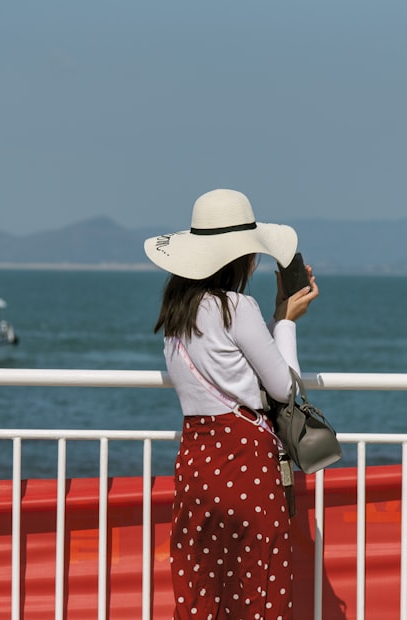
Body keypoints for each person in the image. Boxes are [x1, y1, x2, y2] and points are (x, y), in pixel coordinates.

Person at [144, 188, 319, 619]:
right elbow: (283, 388)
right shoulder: (237, 308)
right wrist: (285, 322)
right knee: (258, 584)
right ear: (243, 259)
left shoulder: (177, 313)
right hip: (245, 459)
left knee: (202, 581)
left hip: (197, 459)